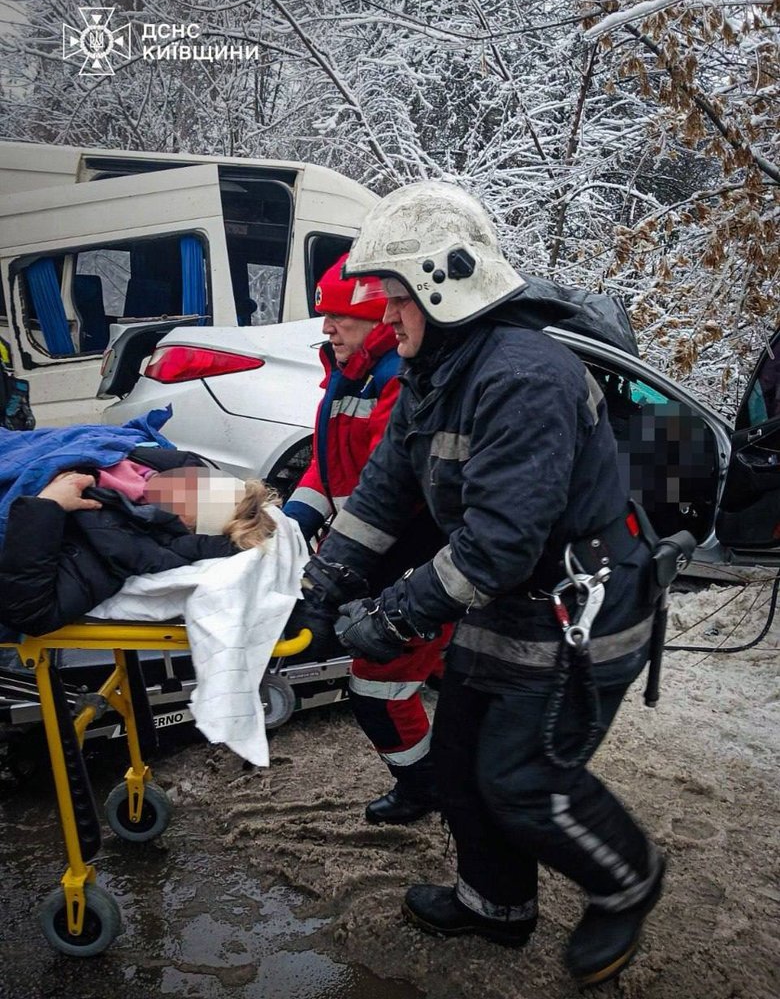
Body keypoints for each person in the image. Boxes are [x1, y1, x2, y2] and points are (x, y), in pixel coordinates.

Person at [300, 182, 665, 987]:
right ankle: (495, 902)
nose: (385, 316)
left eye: (395, 298)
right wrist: (320, 592)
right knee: (463, 759)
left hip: (586, 604)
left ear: (445, 284)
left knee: (522, 777)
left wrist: (388, 620)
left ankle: (628, 879)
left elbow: (495, 547)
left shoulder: (524, 378)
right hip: (516, 597)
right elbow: (384, 495)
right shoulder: (436, 371)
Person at [283, 254, 450, 825]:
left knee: (377, 688)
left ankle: (426, 787)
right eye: (325, 318)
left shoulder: (393, 384)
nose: (327, 330)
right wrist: (295, 520)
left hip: (404, 564)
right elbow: (328, 469)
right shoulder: (345, 376)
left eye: (339, 319)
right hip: (375, 559)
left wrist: (341, 574)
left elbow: (393, 494)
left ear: (379, 320)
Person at [0, 452, 280, 637]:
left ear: (185, 527)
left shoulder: (120, 550)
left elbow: (31, 612)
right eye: (198, 478)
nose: (185, 480)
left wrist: (47, 506)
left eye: (195, 495)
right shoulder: (136, 462)